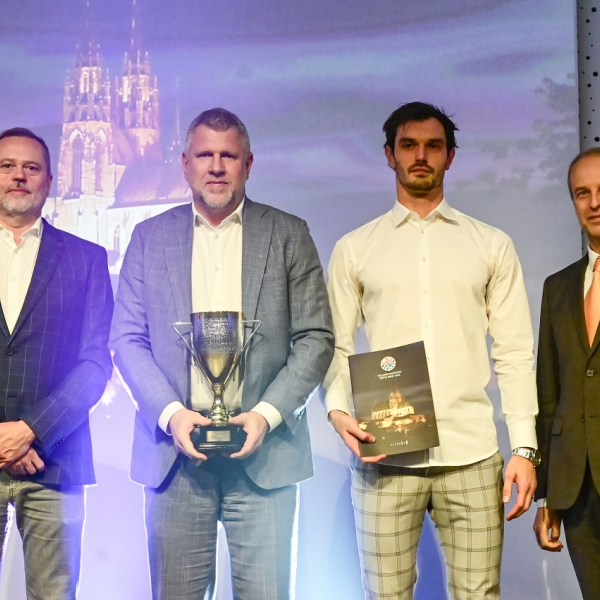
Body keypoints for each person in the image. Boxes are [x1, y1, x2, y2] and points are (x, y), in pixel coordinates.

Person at [110, 108, 334, 600]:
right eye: (205, 156)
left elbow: (315, 337)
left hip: (266, 456)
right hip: (174, 460)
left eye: (228, 156)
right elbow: (127, 339)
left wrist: (267, 415)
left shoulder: (289, 234)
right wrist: (172, 415)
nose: (216, 167)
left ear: (248, 164)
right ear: (185, 164)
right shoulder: (148, 238)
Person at [323, 102, 539, 600]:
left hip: (472, 454)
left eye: (433, 146)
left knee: (479, 595)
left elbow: (514, 352)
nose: (421, 156)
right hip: (385, 455)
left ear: (450, 157)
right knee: (385, 595)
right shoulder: (355, 248)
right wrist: (336, 411)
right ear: (389, 155)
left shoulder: (491, 244)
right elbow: (334, 344)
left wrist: (524, 448)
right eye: (409, 145)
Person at [0, 127, 113, 599]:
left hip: (56, 462)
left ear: (50, 180)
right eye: (7, 166)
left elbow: (95, 365)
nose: (19, 176)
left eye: (31, 168)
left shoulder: (87, 259)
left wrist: (31, 430)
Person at [534, 147, 600, 600]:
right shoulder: (557, 287)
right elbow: (549, 393)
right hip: (576, 489)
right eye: (582, 193)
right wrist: (547, 496)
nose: (594, 203)